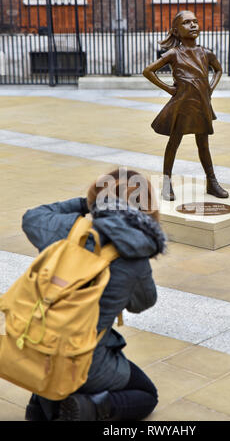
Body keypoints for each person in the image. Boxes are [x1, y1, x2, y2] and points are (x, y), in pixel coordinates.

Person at [22, 168, 166, 421]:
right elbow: (143, 303)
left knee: (55, 349)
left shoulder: (68, 228)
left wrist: (87, 204)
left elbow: (32, 217)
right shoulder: (135, 253)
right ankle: (87, 406)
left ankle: (43, 403)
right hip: (85, 362)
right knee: (146, 393)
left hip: (36, 343)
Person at [143, 10, 228, 201]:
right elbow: (148, 71)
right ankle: (167, 183)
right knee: (174, 142)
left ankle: (212, 182)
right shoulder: (174, 53)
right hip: (182, 105)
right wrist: (169, 90)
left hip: (201, 104)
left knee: (203, 144)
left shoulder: (205, 53)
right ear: (175, 30)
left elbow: (219, 70)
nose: (193, 25)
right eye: (187, 22)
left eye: (195, 22)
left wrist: (210, 89)